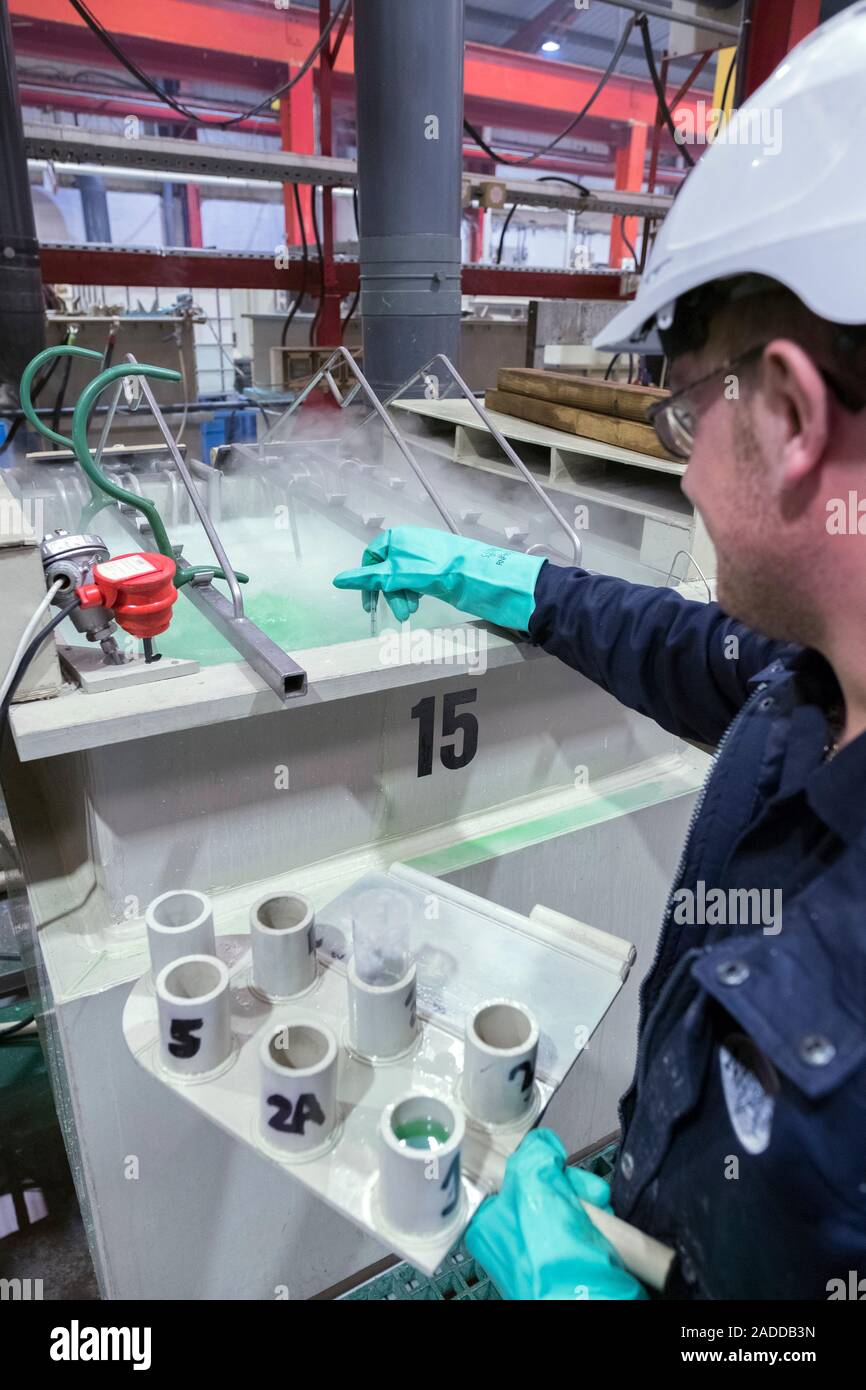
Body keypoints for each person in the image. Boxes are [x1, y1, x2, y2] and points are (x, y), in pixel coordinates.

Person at [333, 6, 866, 1299]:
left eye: (688, 410)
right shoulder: (811, 684)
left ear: (788, 411)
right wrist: (506, 580)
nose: (679, 463)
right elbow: (685, 646)